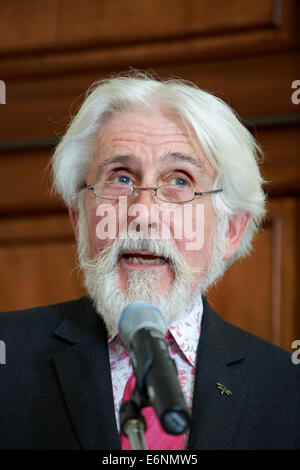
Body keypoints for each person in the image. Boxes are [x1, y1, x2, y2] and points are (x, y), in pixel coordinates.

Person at [0, 72, 299, 451]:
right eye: (120, 178)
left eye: (180, 182)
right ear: (80, 220)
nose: (143, 212)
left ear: (231, 230)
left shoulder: (288, 388)